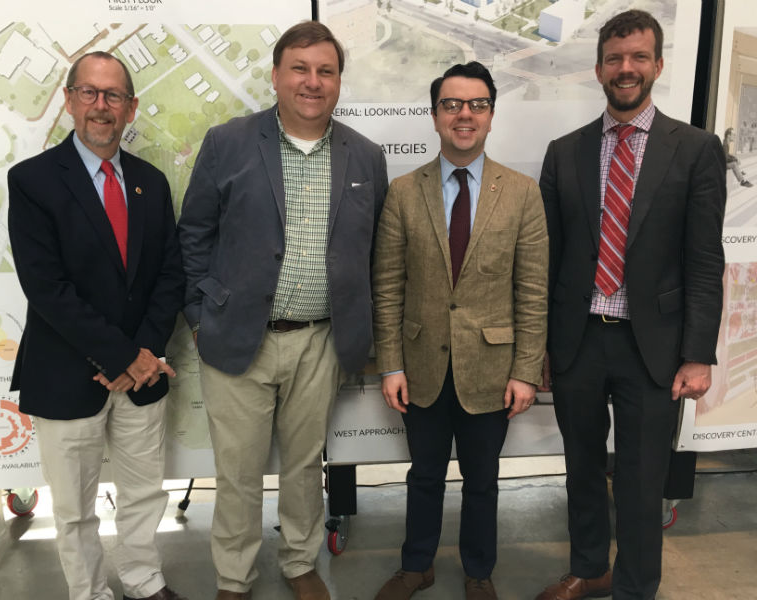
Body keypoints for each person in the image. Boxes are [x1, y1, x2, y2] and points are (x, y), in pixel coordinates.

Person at [177, 21, 388, 600]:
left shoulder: (366, 157)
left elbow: (373, 251)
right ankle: (234, 577)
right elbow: (194, 232)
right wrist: (200, 315)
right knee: (238, 473)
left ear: (339, 81)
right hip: (238, 335)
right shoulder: (229, 142)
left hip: (321, 339)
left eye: (325, 70)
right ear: (276, 75)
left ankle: (300, 564)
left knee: (304, 465)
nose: (312, 82)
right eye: (300, 68)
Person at [536, 10, 726, 600]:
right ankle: (590, 566)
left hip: (656, 349)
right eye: (615, 58)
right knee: (582, 470)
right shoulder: (563, 152)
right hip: (578, 341)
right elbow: (547, 261)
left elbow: (702, 260)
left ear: (658, 66)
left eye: (639, 57)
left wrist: (698, 355)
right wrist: (541, 345)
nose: (626, 68)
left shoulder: (695, 150)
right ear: (598, 69)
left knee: (643, 482)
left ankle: (635, 587)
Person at [7, 52, 186, 600]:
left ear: (131, 107)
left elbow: (169, 275)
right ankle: (89, 592)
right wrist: (122, 357)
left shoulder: (151, 183)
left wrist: (144, 354)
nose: (100, 106)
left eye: (113, 96)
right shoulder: (33, 180)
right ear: (68, 100)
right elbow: (48, 290)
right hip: (65, 375)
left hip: (142, 373)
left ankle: (142, 579)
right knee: (74, 509)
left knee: (142, 494)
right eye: (89, 93)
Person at [371, 61, 549, 600]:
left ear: (491, 115)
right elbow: (387, 286)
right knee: (423, 476)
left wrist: (525, 372)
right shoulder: (404, 191)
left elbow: (533, 292)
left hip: (492, 371)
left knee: (483, 482)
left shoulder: (522, 193)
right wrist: (392, 364)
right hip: (421, 365)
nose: (463, 115)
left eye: (476, 105)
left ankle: (479, 572)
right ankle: (416, 566)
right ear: (434, 115)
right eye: (452, 104)